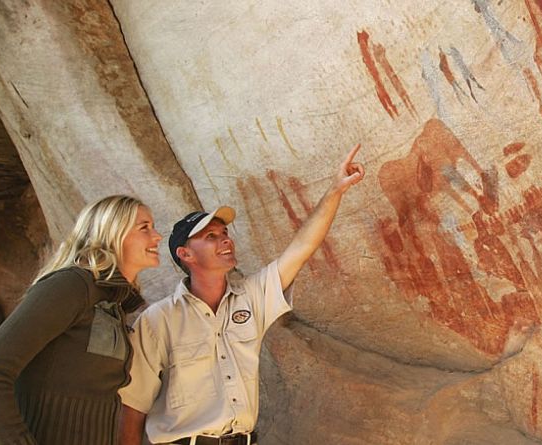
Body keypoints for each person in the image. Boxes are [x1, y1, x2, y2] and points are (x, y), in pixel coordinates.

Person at [119, 144, 365, 445]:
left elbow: (301, 248)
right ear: (185, 254)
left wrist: (334, 191)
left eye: (224, 234)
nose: (225, 241)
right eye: (211, 237)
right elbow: (132, 408)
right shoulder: (158, 320)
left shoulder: (251, 297)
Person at [0, 195, 163, 444]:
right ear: (112, 233)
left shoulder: (112, 303)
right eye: (145, 228)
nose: (157, 236)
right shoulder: (71, 285)